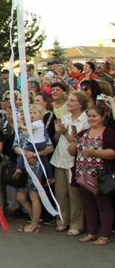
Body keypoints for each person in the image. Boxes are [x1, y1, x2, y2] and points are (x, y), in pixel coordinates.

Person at [69, 104, 115, 246]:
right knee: (88, 205)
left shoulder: (109, 132)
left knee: (103, 205)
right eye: (89, 116)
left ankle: (105, 235)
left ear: (102, 117)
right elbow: (72, 152)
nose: (91, 118)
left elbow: (112, 153)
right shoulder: (83, 132)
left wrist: (95, 152)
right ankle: (91, 232)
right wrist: (73, 141)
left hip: (100, 176)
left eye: (94, 116)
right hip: (83, 174)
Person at [51, 91, 89, 235]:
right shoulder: (65, 117)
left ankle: (76, 224)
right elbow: (57, 138)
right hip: (59, 158)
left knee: (74, 194)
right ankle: (62, 220)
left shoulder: (85, 120)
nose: (69, 103)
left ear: (80, 104)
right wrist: (58, 132)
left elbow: (79, 141)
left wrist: (65, 133)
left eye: (72, 100)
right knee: (60, 192)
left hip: (74, 160)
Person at [13, 104, 54, 234]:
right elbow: (15, 146)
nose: (29, 116)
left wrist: (34, 154)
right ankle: (34, 219)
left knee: (33, 194)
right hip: (23, 163)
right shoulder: (20, 129)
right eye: (27, 113)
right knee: (20, 196)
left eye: (32, 113)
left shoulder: (40, 128)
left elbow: (49, 147)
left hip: (36, 165)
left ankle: (35, 223)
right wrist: (23, 152)